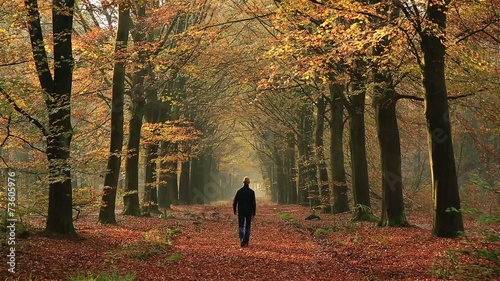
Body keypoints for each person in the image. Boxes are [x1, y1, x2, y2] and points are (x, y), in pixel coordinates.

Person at [233, 176, 256, 247]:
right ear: (249, 182)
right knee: (248, 226)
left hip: (241, 211)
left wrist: (234, 210)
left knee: (241, 226)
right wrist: (254, 213)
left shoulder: (239, 191)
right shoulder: (251, 192)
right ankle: (246, 241)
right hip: (249, 211)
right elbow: (253, 203)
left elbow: (235, 201)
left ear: (243, 182)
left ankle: (242, 238)